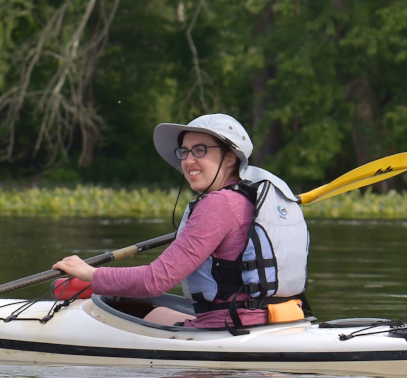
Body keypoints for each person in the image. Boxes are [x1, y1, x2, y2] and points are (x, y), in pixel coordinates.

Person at [52, 114, 309, 328]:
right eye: (184, 152)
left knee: (122, 317)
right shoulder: (254, 199)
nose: (188, 160)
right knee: (155, 311)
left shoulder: (218, 204)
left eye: (200, 150)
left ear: (230, 158)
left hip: (228, 328)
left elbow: (155, 281)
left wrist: (90, 273)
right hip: (282, 321)